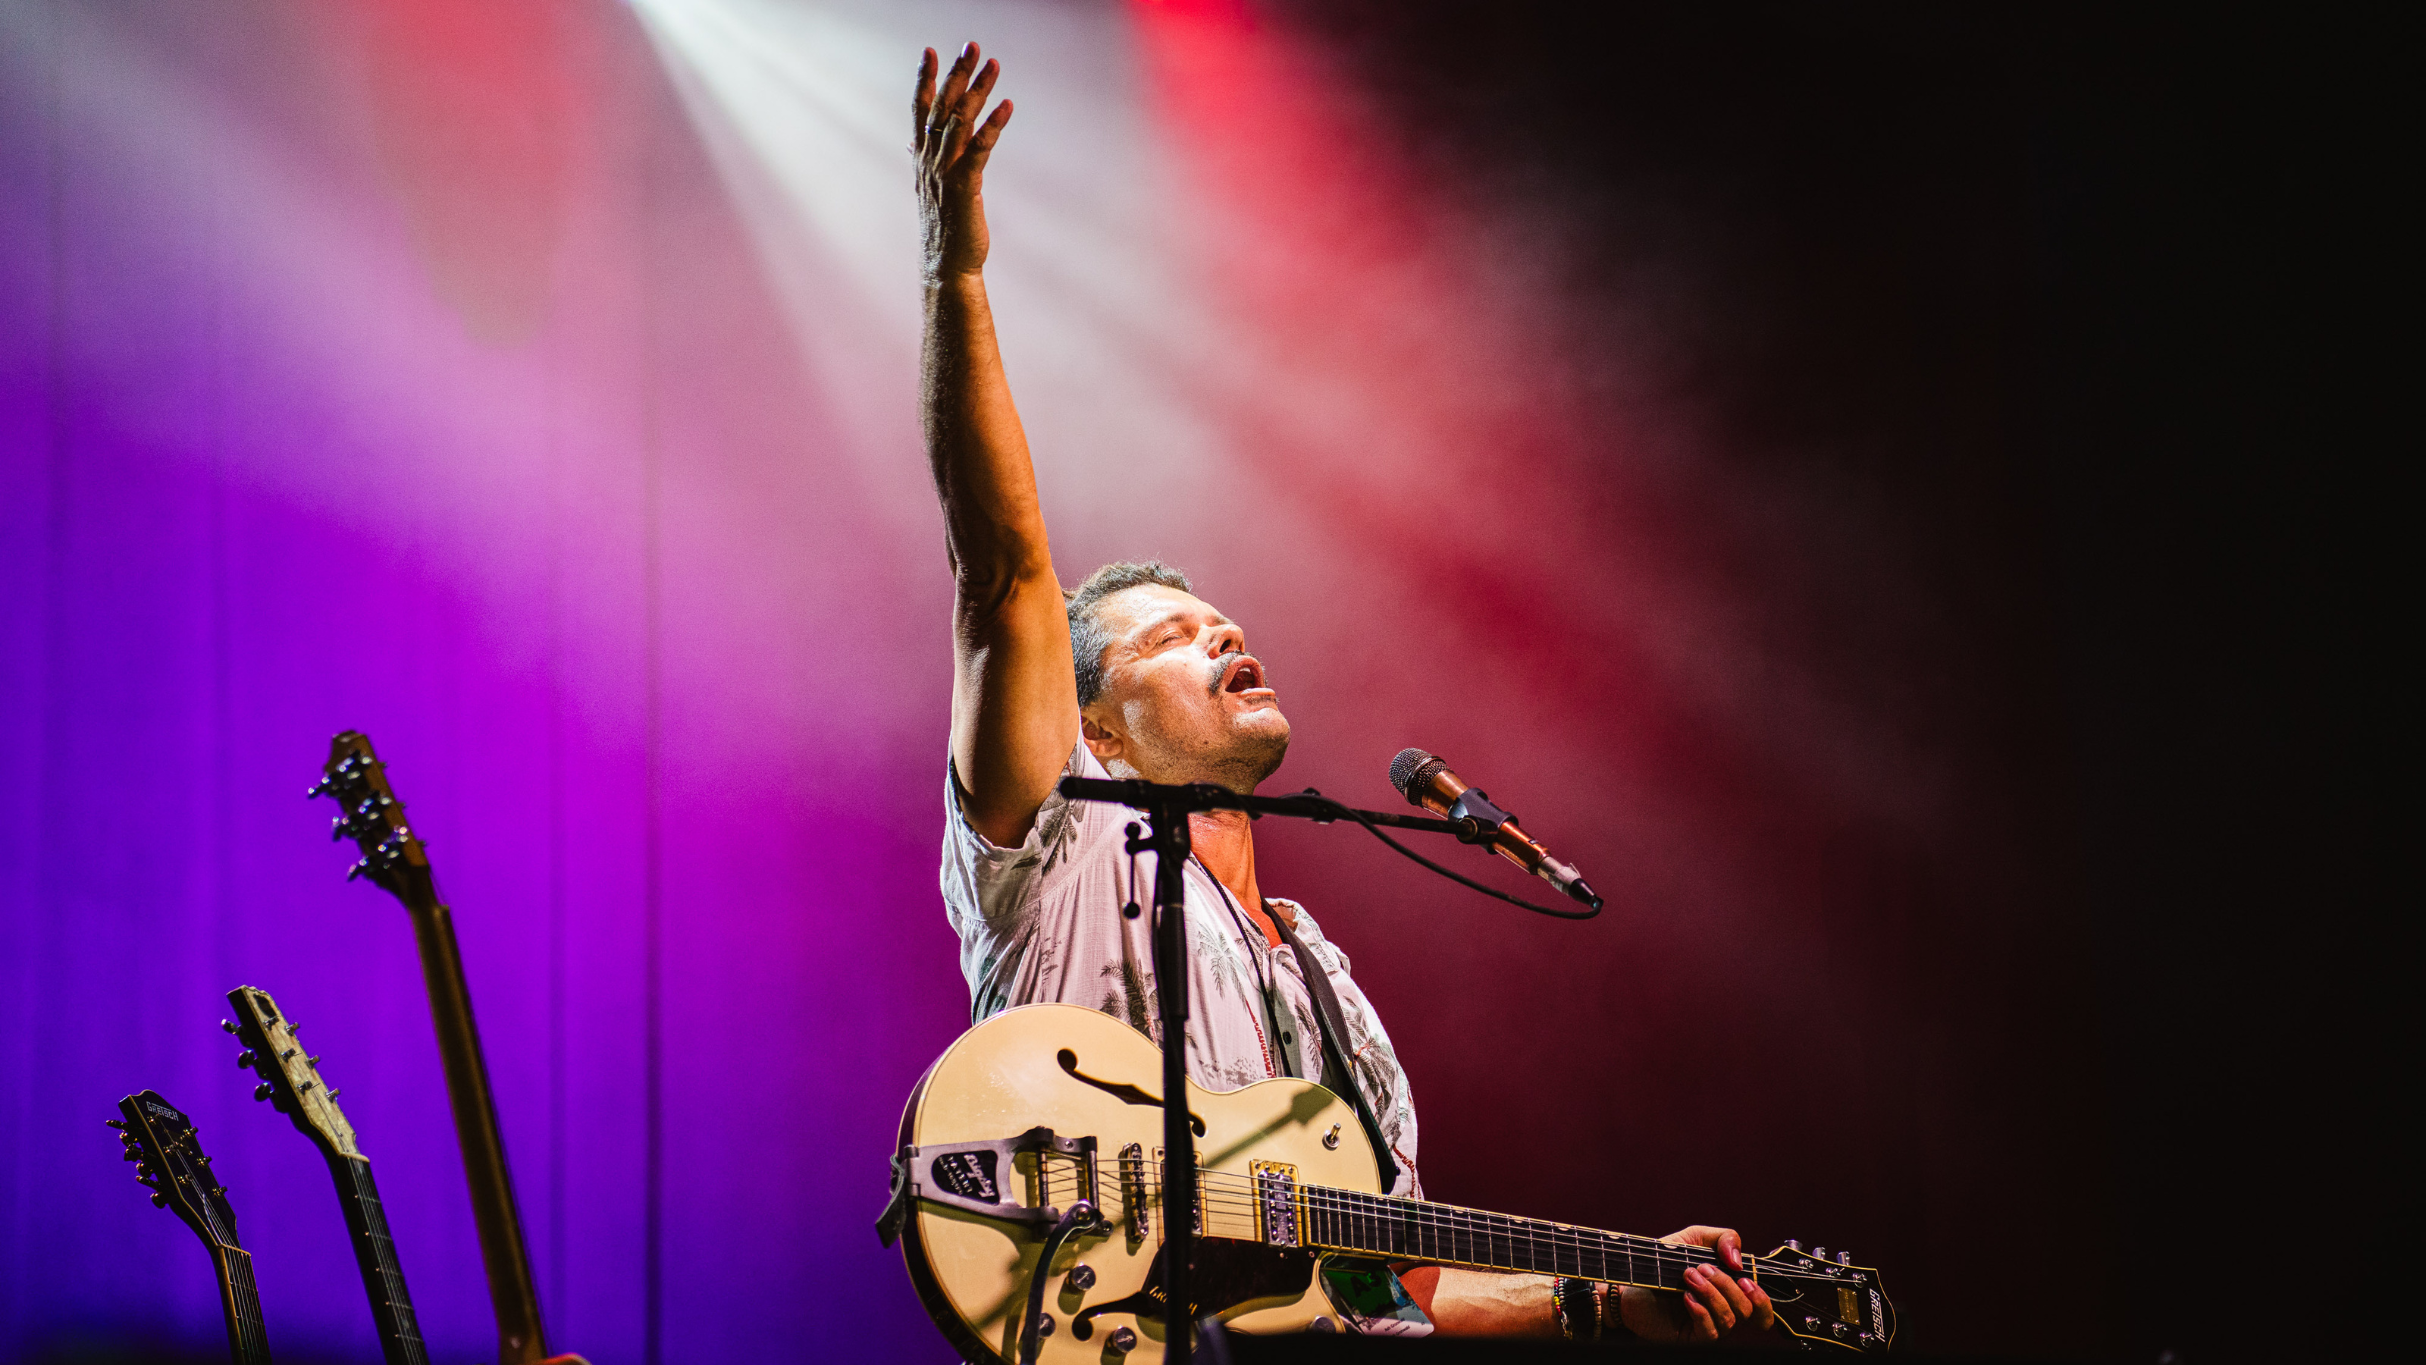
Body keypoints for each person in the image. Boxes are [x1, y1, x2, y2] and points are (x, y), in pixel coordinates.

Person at [914, 40, 1777, 1343]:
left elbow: (1397, 1287)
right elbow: (1003, 575)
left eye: (1225, 624)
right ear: (1095, 727)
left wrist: (1606, 1294)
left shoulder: (1326, 985)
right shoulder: (1062, 842)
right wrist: (956, 275)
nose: (1225, 638)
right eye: (1173, 639)